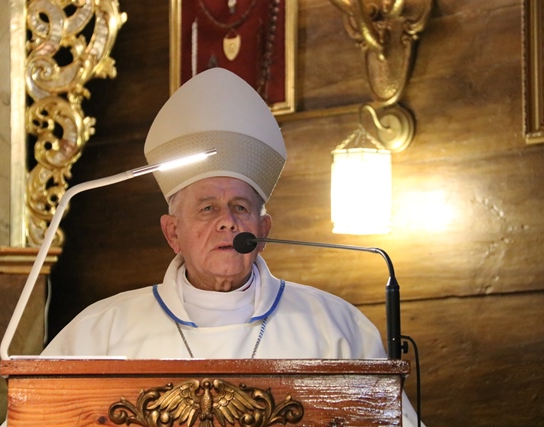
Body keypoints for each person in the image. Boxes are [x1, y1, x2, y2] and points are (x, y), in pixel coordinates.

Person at [41, 67, 424, 426]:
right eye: (207, 208)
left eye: (240, 207)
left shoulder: (335, 328)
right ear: (173, 234)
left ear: (263, 231)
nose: (227, 220)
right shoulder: (101, 331)